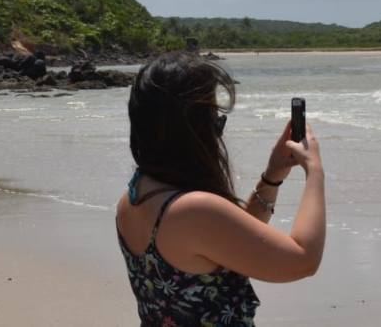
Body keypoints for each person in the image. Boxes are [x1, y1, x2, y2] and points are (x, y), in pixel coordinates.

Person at [115, 51, 326, 326]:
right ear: (192, 129)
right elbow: (303, 260)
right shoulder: (193, 210)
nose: (218, 132)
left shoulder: (137, 194)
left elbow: (231, 241)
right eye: (215, 120)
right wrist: (316, 171)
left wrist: (274, 175)